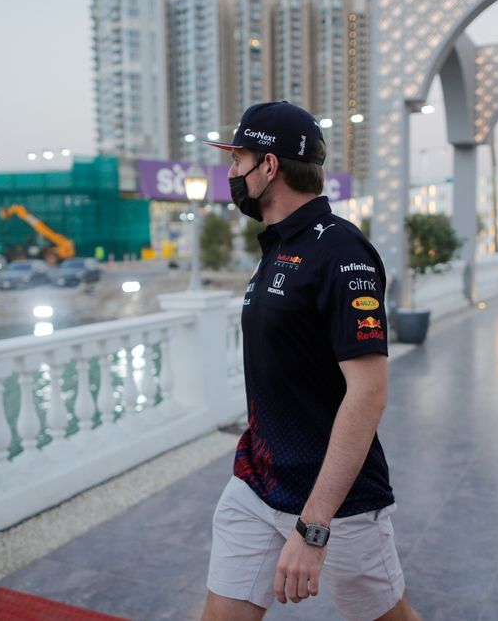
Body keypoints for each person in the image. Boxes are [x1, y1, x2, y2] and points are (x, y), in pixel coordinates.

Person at [200, 102, 420, 621]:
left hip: (333, 501)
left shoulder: (342, 251)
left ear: (269, 166)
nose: (230, 172)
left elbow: (369, 392)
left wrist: (313, 526)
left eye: (237, 160)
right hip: (257, 479)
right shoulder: (276, 248)